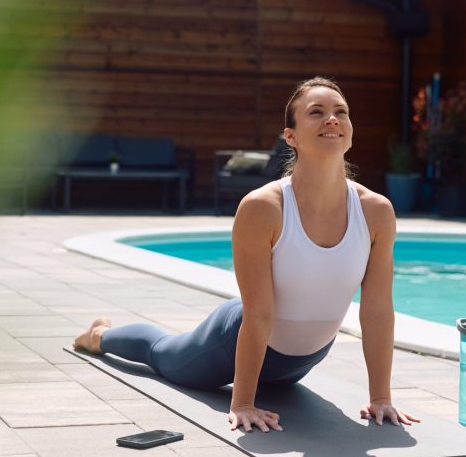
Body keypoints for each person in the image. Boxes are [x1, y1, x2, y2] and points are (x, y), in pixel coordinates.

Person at [75, 77, 419, 433]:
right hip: (231, 339)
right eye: (316, 112)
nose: (332, 119)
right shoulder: (263, 207)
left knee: (279, 380)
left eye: (340, 112)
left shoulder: (376, 211)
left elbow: (377, 310)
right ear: (291, 136)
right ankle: (99, 336)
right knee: (162, 354)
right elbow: (258, 312)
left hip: (305, 357)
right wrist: (242, 403)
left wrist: (381, 398)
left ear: (350, 130)